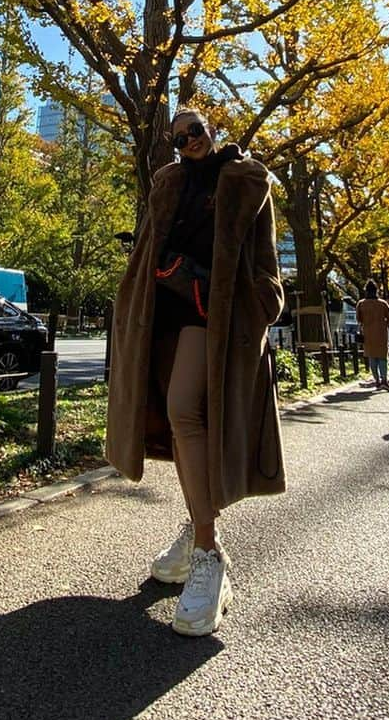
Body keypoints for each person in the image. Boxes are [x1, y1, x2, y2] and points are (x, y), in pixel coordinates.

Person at [106, 107, 285, 637]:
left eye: (196, 129)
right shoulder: (168, 182)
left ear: (213, 129)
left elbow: (266, 266)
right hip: (160, 314)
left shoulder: (248, 180)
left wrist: (252, 305)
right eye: (179, 135)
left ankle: (210, 555)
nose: (189, 140)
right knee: (178, 422)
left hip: (214, 315)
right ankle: (197, 524)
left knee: (185, 409)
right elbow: (146, 248)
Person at [356, 281, 389, 391]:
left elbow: (358, 319)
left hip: (368, 334)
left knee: (372, 357)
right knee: (382, 357)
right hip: (382, 334)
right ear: (376, 291)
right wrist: (383, 324)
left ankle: (376, 380)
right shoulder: (383, 303)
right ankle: (384, 380)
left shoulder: (361, 304)